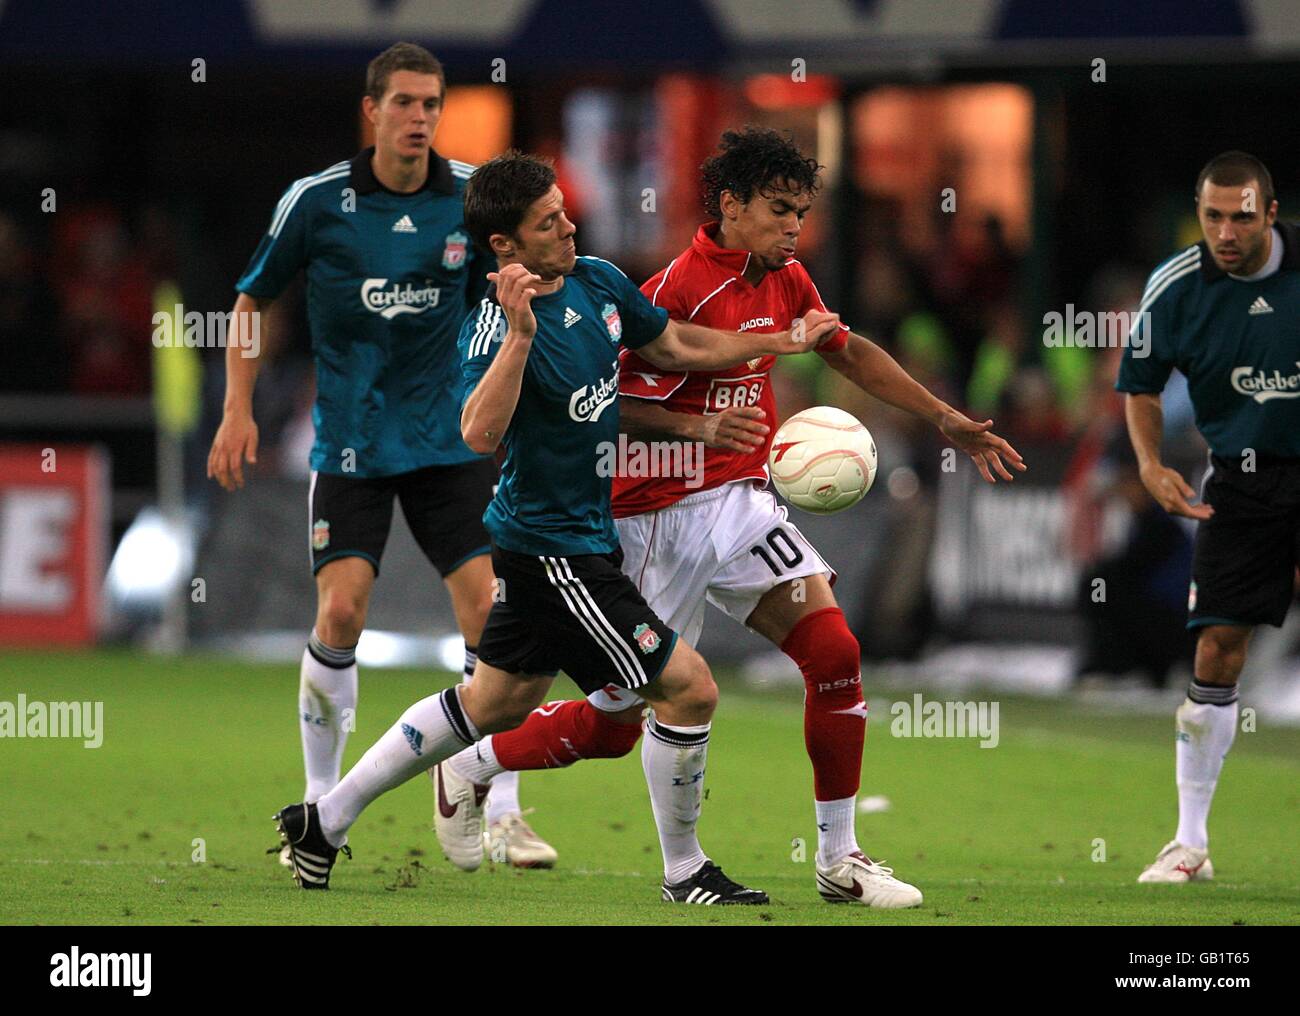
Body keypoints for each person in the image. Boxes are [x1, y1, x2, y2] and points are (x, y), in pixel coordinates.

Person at [435, 127, 1024, 908]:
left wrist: (944, 415)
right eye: (780, 211)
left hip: (742, 502)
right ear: (731, 206)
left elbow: (844, 350)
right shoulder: (677, 287)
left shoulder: (785, 275)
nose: (794, 227)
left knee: (834, 649)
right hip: (652, 513)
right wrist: (697, 429)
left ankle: (840, 859)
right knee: (615, 725)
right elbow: (607, 410)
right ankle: (477, 762)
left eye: (802, 212)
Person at [273, 149, 842, 898]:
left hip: (573, 539)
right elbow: (478, 432)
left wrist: (774, 343)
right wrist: (517, 336)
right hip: (554, 554)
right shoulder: (492, 327)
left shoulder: (600, 283)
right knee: (691, 689)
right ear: (505, 245)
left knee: (492, 704)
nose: (570, 226)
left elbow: (674, 344)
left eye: (565, 210)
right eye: (549, 222)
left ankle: (325, 819)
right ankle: (685, 873)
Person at [207, 43, 554, 868]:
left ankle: (495, 802)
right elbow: (253, 296)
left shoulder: (469, 201)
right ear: (372, 111)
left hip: (449, 443)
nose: (420, 119)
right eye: (404, 104)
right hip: (353, 445)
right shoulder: (317, 202)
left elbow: (522, 279)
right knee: (342, 615)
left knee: (491, 619)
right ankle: (321, 808)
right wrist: (235, 408)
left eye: (432, 104)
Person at [1118, 150, 1299, 883]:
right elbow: (1140, 385)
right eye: (1213, 215)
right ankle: (1189, 843)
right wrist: (1150, 463)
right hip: (1243, 482)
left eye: (1242, 216)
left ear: (1271, 214)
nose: (1226, 231)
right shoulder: (1177, 286)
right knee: (1218, 650)